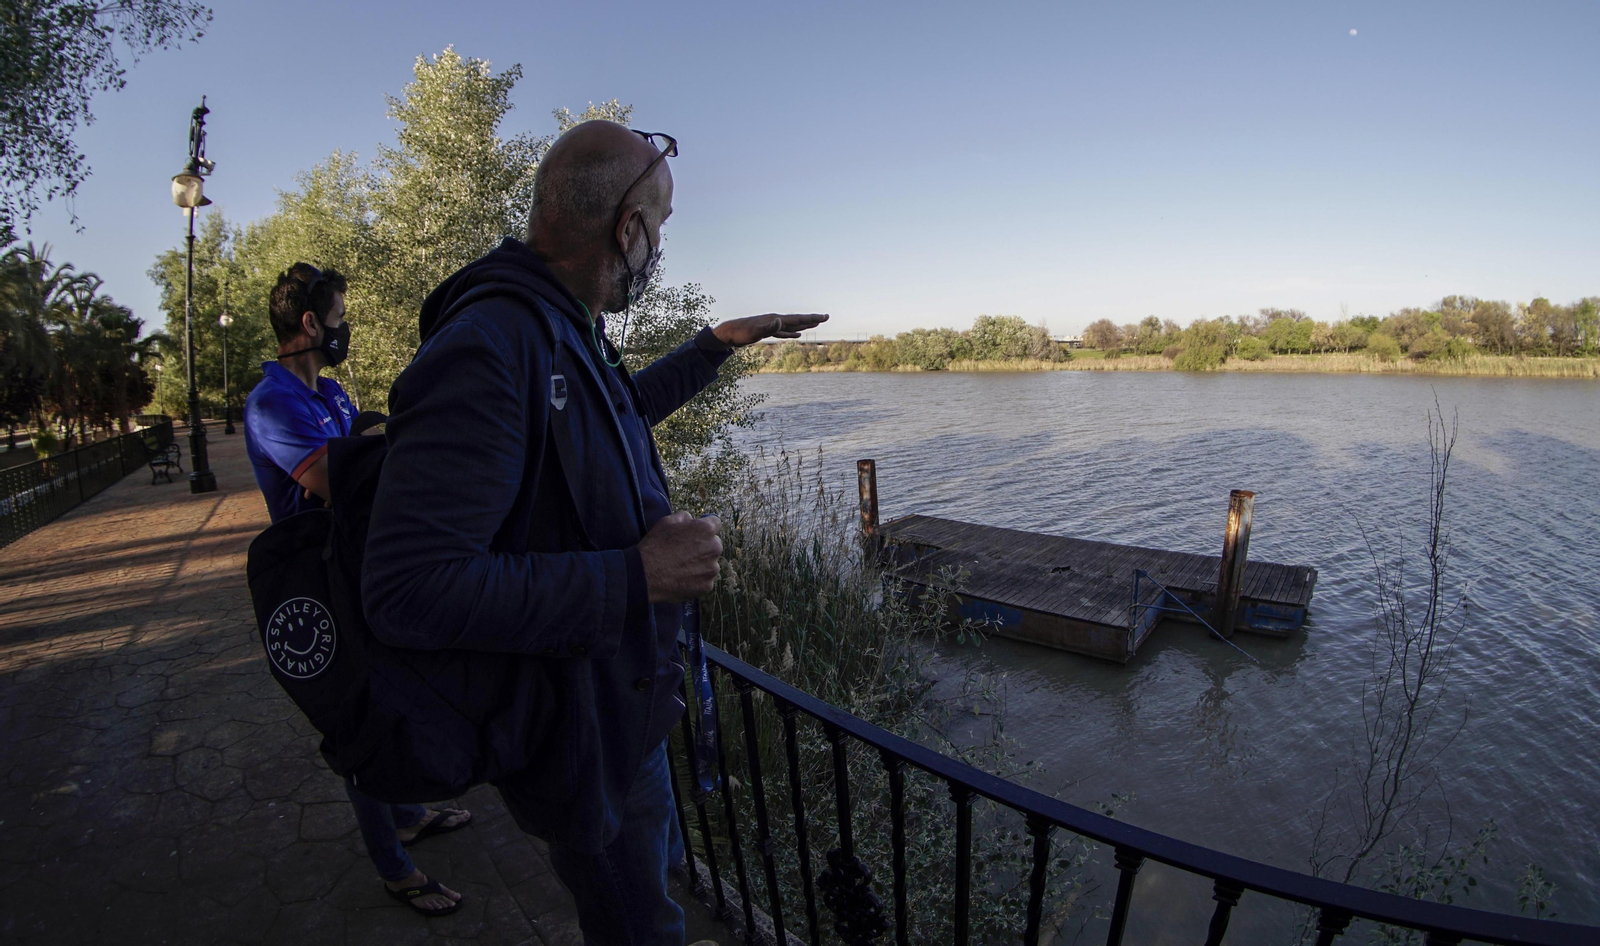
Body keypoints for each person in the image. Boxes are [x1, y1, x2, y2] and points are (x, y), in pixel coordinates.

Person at [361, 120, 827, 944]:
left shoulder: (563, 326)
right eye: (664, 227)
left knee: (651, 886)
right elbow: (409, 589)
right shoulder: (491, 345)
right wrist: (638, 576)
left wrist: (714, 346)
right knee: (637, 926)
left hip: (617, 714)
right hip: (576, 738)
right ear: (630, 228)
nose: (660, 249)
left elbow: (617, 418)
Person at [243, 263, 472, 918]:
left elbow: (360, 457)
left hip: (357, 560)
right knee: (360, 716)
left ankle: (406, 814)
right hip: (317, 576)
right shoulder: (272, 403)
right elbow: (330, 479)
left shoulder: (335, 392)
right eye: (340, 318)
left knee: (387, 689)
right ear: (311, 323)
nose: (345, 329)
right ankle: (395, 869)